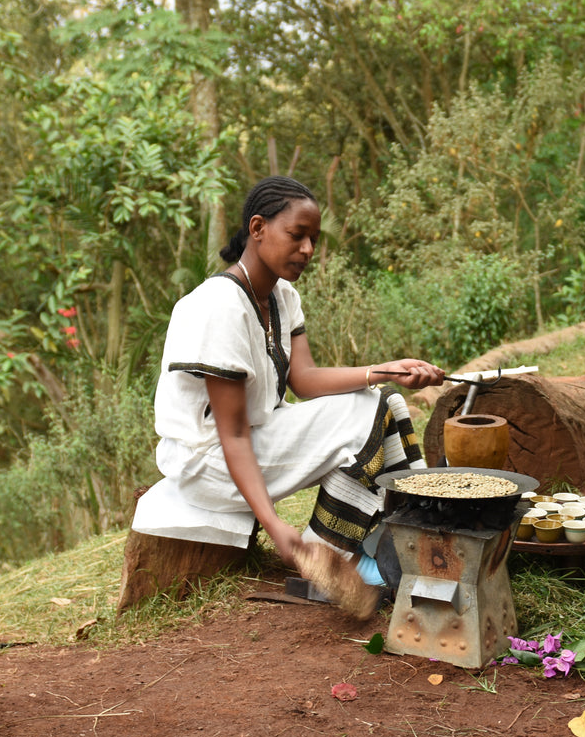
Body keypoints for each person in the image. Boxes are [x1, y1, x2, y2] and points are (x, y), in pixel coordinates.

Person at [131, 176, 444, 584]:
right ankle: (328, 562)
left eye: (314, 239)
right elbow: (234, 435)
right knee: (369, 416)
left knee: (386, 401)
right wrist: (275, 524)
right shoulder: (218, 307)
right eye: (297, 236)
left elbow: (306, 380)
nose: (308, 250)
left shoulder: (282, 297)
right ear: (258, 228)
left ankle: (398, 539)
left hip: (255, 439)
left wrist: (385, 371)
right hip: (208, 462)